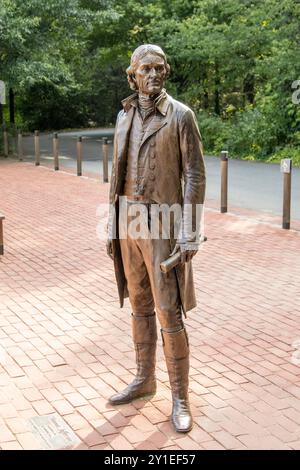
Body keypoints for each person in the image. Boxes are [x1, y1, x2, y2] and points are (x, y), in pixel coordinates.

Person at [106, 44, 206, 433]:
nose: (154, 75)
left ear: (166, 72)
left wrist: (189, 231)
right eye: (145, 69)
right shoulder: (123, 115)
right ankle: (144, 378)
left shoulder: (181, 116)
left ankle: (180, 396)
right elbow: (117, 172)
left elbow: (195, 175)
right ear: (132, 75)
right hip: (128, 221)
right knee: (139, 306)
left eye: (159, 68)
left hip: (163, 225)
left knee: (169, 311)